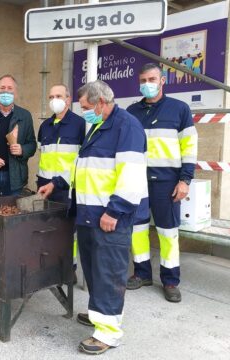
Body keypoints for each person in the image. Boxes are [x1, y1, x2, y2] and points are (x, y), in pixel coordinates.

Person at [73, 80, 147, 354]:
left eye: (86, 107)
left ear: (101, 102)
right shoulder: (98, 126)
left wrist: (114, 211)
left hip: (109, 217)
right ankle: (98, 314)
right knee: (94, 270)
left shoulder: (126, 127)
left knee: (109, 272)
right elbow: (89, 169)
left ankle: (108, 333)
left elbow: (132, 176)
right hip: (90, 214)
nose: (84, 112)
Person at [126, 63, 198, 303]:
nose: (148, 84)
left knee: (168, 232)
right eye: (144, 80)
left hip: (167, 181)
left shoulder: (179, 109)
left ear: (162, 80)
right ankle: (142, 273)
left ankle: (170, 280)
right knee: (137, 229)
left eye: (152, 79)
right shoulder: (132, 111)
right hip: (137, 181)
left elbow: (189, 147)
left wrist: (185, 180)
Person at [36, 84, 85, 282]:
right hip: (45, 188)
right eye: (51, 96)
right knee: (46, 229)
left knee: (67, 231)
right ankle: (49, 266)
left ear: (68, 98)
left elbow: (82, 159)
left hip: (67, 187)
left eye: (59, 95)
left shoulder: (80, 124)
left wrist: (60, 182)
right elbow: (42, 155)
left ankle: (69, 267)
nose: (54, 99)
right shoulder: (45, 126)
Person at [0, 74, 36, 198]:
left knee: (12, 213)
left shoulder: (25, 115)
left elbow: (32, 144)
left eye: (10, 88)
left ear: (15, 93)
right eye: (2, 88)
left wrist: (22, 150)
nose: (6, 91)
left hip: (15, 177)